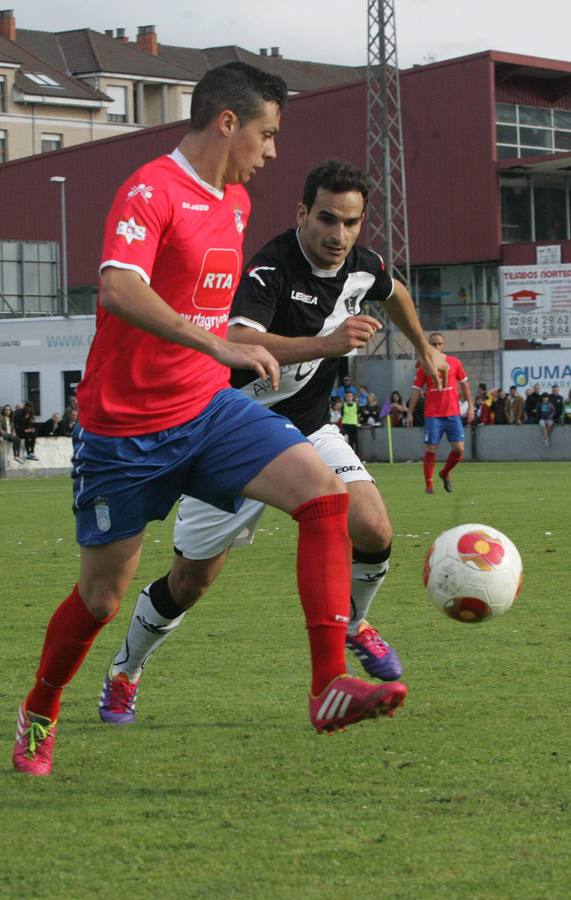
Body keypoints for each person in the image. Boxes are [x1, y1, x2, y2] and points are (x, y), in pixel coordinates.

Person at [13, 67, 414, 778]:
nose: (270, 151)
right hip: (125, 431)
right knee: (102, 598)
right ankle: (40, 711)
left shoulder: (233, 199)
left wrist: (219, 358)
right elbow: (118, 287)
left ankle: (327, 686)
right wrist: (220, 343)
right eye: (266, 133)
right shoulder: (151, 189)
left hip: (208, 408)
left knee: (324, 497)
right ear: (227, 122)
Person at [99, 158, 447, 729]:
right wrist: (328, 342)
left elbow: (394, 290)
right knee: (190, 582)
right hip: (231, 435)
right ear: (302, 214)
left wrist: (425, 348)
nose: (338, 236)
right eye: (327, 220)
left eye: (351, 223)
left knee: (374, 528)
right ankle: (125, 669)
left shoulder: (362, 265)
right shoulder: (270, 269)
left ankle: (350, 622)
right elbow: (235, 340)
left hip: (308, 429)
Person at [406, 331, 474, 493]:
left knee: (459, 450)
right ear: (429, 345)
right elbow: (416, 390)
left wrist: (470, 406)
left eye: (439, 344)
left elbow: (465, 385)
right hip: (433, 414)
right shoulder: (425, 365)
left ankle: (444, 473)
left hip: (452, 413)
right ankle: (429, 484)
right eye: (433, 344)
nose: (436, 346)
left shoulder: (454, 362)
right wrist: (409, 412)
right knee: (431, 449)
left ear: (443, 345)